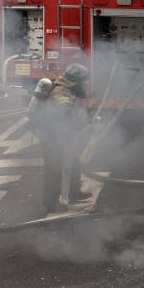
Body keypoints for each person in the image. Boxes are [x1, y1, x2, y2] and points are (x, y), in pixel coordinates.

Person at [35, 64, 92, 214]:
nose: (84, 85)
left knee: (73, 162)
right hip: (52, 137)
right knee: (55, 169)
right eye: (83, 82)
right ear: (75, 81)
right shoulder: (61, 92)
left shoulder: (66, 89)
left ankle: (75, 192)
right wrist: (81, 122)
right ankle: (51, 203)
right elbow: (64, 115)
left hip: (60, 134)